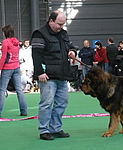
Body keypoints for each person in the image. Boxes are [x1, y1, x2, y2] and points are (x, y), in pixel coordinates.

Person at [31, 10, 76, 140]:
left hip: (62, 75)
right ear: (51, 21)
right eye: (59, 24)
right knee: (46, 103)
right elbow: (36, 55)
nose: (61, 27)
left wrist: (72, 51)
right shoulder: (39, 34)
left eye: (63, 24)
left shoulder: (63, 34)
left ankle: (55, 128)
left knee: (62, 102)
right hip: (48, 76)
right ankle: (44, 130)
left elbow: (70, 46)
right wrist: (40, 72)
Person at [0, 25, 27, 117]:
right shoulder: (17, 42)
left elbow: (4, 57)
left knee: (2, 90)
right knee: (19, 90)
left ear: (5, 33)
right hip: (16, 67)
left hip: (7, 68)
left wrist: (0, 68)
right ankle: (24, 110)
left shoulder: (5, 42)